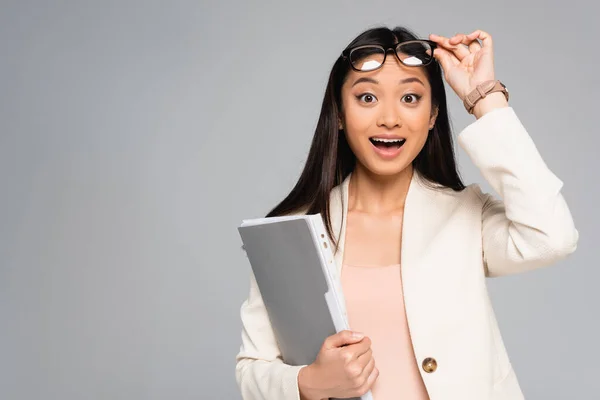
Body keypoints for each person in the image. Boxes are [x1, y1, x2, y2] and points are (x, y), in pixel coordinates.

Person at [234, 25, 578, 400]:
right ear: (339, 114)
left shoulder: (466, 217)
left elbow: (552, 238)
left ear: (432, 116)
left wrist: (485, 97)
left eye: (410, 98)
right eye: (367, 97)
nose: (390, 118)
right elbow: (253, 369)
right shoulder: (291, 232)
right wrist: (308, 383)